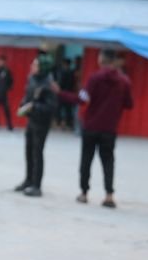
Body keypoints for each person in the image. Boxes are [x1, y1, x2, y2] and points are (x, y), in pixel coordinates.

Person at [55, 49, 133, 208]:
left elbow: (81, 100)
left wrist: (60, 93)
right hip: (109, 128)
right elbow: (129, 104)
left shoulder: (94, 78)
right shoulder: (124, 81)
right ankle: (109, 195)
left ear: (101, 60)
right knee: (108, 161)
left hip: (91, 126)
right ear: (114, 61)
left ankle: (84, 193)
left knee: (86, 160)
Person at [14, 54, 57, 197]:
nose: (32, 67)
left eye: (35, 65)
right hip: (31, 121)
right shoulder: (32, 79)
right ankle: (28, 180)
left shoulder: (49, 84)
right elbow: (28, 95)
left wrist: (34, 106)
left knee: (37, 153)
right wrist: (23, 104)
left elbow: (51, 107)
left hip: (42, 123)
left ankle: (37, 185)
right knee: (28, 151)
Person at [54, 57, 76, 130]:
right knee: (68, 109)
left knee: (59, 108)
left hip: (62, 92)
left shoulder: (62, 72)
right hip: (69, 93)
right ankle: (68, 123)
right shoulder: (72, 72)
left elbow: (60, 82)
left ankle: (59, 123)